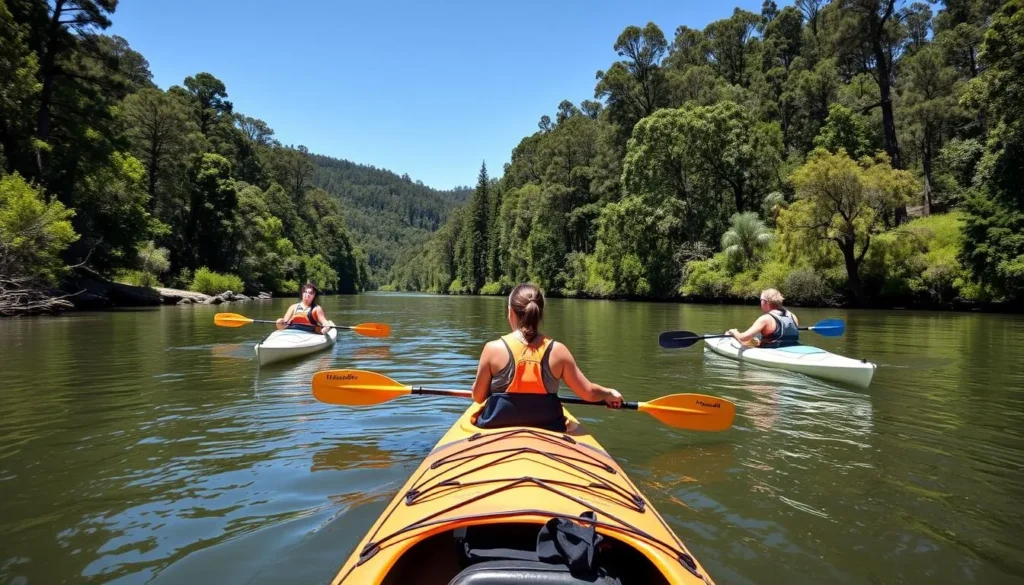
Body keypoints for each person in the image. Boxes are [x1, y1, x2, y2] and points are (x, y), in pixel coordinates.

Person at [471, 283, 623, 432]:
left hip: (497, 425)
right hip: (550, 426)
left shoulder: (492, 349)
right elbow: (588, 393)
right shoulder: (558, 351)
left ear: (510, 312)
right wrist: (609, 394)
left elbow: (478, 397)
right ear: (540, 313)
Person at [727, 288, 800, 348]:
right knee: (754, 341)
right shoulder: (793, 316)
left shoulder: (765, 319)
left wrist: (734, 332)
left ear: (765, 302)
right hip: (791, 347)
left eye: (761, 300)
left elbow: (743, 338)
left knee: (739, 339)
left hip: (773, 351)